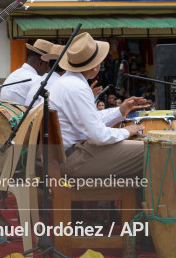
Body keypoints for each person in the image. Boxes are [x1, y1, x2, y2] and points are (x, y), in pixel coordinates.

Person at [49, 32, 149, 178]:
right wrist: (128, 131)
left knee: (140, 148)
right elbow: (98, 136)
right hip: (73, 160)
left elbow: (91, 121)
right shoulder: (77, 87)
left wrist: (120, 111)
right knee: (151, 151)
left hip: (69, 155)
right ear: (95, 66)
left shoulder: (67, 82)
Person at [1, 39, 53, 104]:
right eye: (48, 65)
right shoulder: (37, 81)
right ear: (41, 63)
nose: (48, 70)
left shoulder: (14, 74)